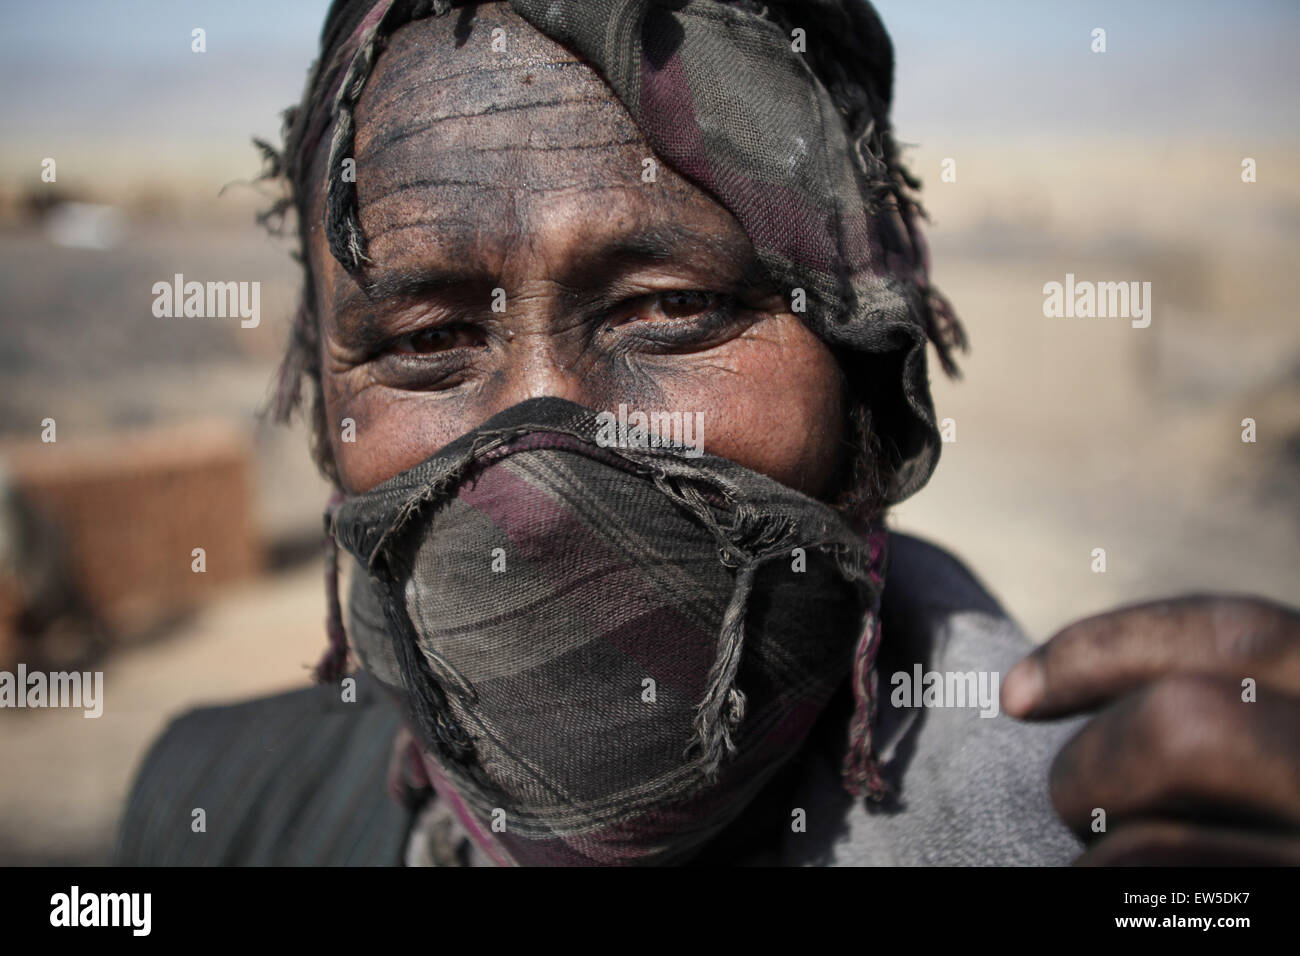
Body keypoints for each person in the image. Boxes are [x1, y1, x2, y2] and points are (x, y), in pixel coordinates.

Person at [115, 0, 1300, 866]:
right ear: (323, 409)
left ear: (869, 378)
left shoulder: (1091, 825)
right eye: (426, 340)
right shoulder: (211, 803)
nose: (534, 477)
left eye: (673, 308)